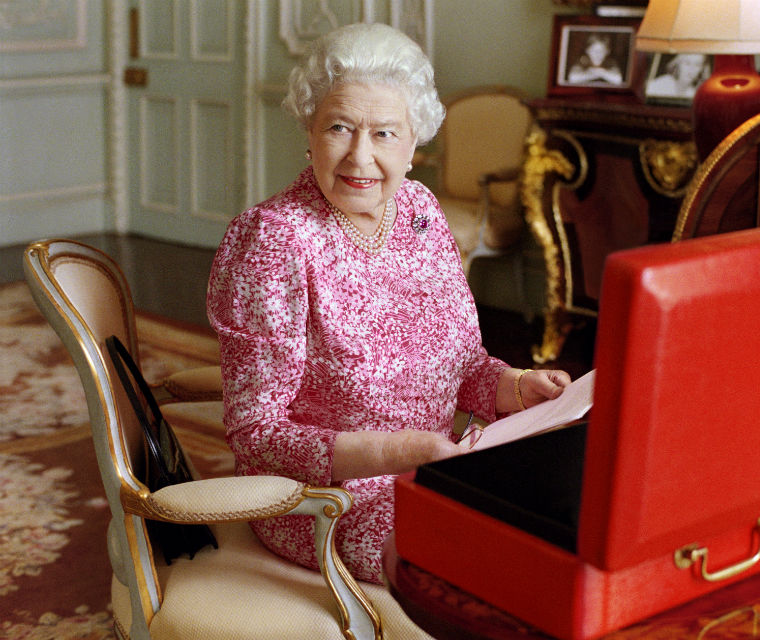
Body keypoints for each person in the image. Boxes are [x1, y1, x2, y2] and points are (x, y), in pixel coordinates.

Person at [206, 22, 571, 584]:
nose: (360, 156)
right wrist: (397, 452)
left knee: (564, 523)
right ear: (309, 129)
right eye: (339, 127)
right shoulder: (276, 239)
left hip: (437, 465)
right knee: (483, 570)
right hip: (326, 499)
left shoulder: (420, 210)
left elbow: (463, 365)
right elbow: (257, 433)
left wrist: (516, 386)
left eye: (384, 134)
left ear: (414, 142)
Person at [645, 53, 709, 100]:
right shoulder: (658, 85)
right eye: (687, 63)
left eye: (697, 64)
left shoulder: (693, 94)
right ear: (678, 64)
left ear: (702, 69)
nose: (691, 69)